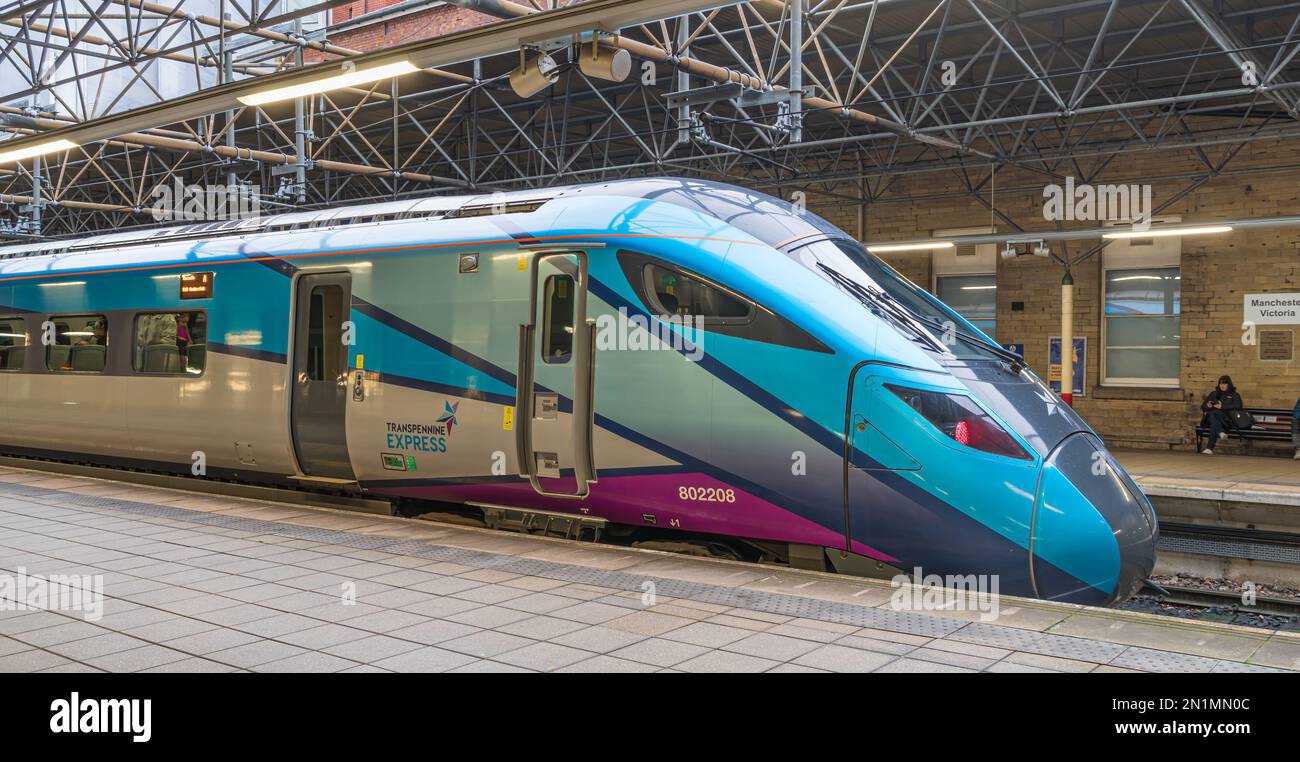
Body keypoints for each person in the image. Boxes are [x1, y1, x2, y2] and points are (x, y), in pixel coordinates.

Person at [1200, 375, 1243, 454]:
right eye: (1220, 383)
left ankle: (1209, 448)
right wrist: (1207, 405)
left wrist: (1222, 406)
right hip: (1211, 420)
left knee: (1213, 417)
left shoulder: (1234, 395)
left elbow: (1238, 406)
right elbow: (1203, 406)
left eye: (1224, 383)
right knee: (1213, 415)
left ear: (1229, 384)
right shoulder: (1214, 394)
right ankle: (1220, 433)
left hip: (1226, 421)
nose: (1222, 385)